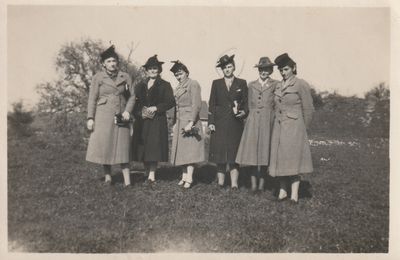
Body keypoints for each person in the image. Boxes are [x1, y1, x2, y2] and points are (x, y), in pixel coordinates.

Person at [86, 45, 135, 187]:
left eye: (114, 61)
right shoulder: (98, 78)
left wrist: (127, 111)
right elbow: (92, 99)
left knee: (123, 147)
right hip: (103, 116)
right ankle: (108, 177)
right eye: (108, 61)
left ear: (117, 62)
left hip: (121, 116)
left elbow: (132, 97)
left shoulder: (125, 77)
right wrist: (90, 118)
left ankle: (127, 182)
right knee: (105, 146)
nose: (112, 64)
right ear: (103, 64)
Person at [269, 53, 314, 204]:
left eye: (286, 69)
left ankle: (294, 195)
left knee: (294, 160)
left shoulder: (301, 84)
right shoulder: (278, 85)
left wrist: (302, 129)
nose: (283, 72)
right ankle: (282, 192)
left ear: (293, 68)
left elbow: (309, 109)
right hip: (279, 127)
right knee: (281, 160)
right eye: (281, 70)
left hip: (295, 129)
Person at [236, 57, 278, 194]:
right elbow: (247, 104)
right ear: (258, 70)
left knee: (264, 154)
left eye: (266, 69)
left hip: (268, 121)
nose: (263, 72)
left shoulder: (276, 84)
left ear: (271, 70)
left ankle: (262, 185)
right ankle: (253, 185)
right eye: (261, 69)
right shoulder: (251, 85)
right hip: (253, 121)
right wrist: (242, 111)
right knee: (253, 154)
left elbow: (277, 103)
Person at [131, 55, 175, 185]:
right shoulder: (140, 86)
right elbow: (134, 103)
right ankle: (145, 172)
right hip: (142, 120)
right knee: (143, 147)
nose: (153, 71)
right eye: (150, 69)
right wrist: (140, 113)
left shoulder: (165, 85)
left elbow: (170, 102)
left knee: (153, 147)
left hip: (157, 120)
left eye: (155, 68)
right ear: (146, 70)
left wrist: (156, 108)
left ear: (159, 70)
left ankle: (152, 175)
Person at [208, 54, 248, 190]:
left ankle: (234, 184)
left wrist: (244, 112)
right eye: (224, 67)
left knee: (233, 154)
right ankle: (220, 182)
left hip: (235, 124)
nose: (227, 69)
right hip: (219, 123)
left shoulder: (241, 83)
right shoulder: (216, 83)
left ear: (234, 67)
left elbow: (246, 103)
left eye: (229, 66)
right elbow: (212, 104)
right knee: (220, 154)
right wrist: (211, 122)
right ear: (222, 69)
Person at [169, 60, 205, 189]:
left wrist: (191, 122)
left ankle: (189, 177)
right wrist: (174, 123)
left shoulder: (193, 84)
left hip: (190, 120)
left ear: (187, 72)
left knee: (190, 151)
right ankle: (184, 175)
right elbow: (176, 107)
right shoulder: (177, 88)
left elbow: (196, 104)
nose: (179, 76)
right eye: (176, 75)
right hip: (180, 121)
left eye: (181, 73)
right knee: (182, 152)